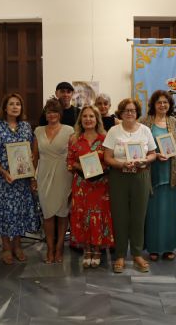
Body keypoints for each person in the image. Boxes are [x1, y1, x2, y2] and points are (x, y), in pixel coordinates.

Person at [103, 98, 156, 273]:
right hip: (119, 177)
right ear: (121, 112)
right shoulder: (113, 131)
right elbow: (107, 157)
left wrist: (144, 161)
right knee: (120, 216)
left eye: (133, 110)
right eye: (126, 110)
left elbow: (153, 154)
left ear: (137, 112)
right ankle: (119, 255)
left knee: (139, 216)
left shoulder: (145, 130)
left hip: (140, 177)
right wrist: (121, 164)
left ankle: (137, 254)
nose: (130, 113)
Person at [0, 93, 40, 265]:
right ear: (4, 108)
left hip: (22, 180)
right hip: (4, 180)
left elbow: (31, 154)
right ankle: (6, 247)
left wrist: (32, 176)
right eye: (11, 104)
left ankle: (17, 245)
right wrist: (2, 171)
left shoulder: (26, 127)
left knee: (19, 213)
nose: (15, 107)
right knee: (4, 213)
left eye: (18, 104)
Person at [68, 105, 114, 268]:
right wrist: (80, 167)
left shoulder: (105, 138)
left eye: (91, 116)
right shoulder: (74, 138)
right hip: (81, 185)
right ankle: (87, 249)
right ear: (81, 119)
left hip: (100, 185)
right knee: (82, 216)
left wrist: (100, 169)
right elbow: (69, 162)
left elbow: (110, 160)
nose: (88, 119)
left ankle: (97, 249)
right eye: (85, 116)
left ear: (97, 119)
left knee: (97, 216)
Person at [139, 90, 176, 261]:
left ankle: (168, 247)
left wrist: (172, 153)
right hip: (151, 172)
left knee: (169, 212)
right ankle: (153, 248)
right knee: (152, 212)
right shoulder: (144, 122)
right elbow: (139, 147)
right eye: (159, 102)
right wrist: (155, 155)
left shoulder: (173, 122)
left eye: (165, 102)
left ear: (170, 104)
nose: (162, 105)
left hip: (170, 173)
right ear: (153, 105)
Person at [32, 98, 74, 263]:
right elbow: (34, 157)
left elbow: (73, 155)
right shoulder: (38, 131)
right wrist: (32, 178)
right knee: (48, 214)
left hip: (64, 175)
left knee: (63, 214)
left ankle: (59, 248)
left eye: (55, 111)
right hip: (44, 175)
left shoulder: (69, 130)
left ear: (60, 114)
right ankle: (49, 249)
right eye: (49, 112)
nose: (52, 115)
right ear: (45, 114)